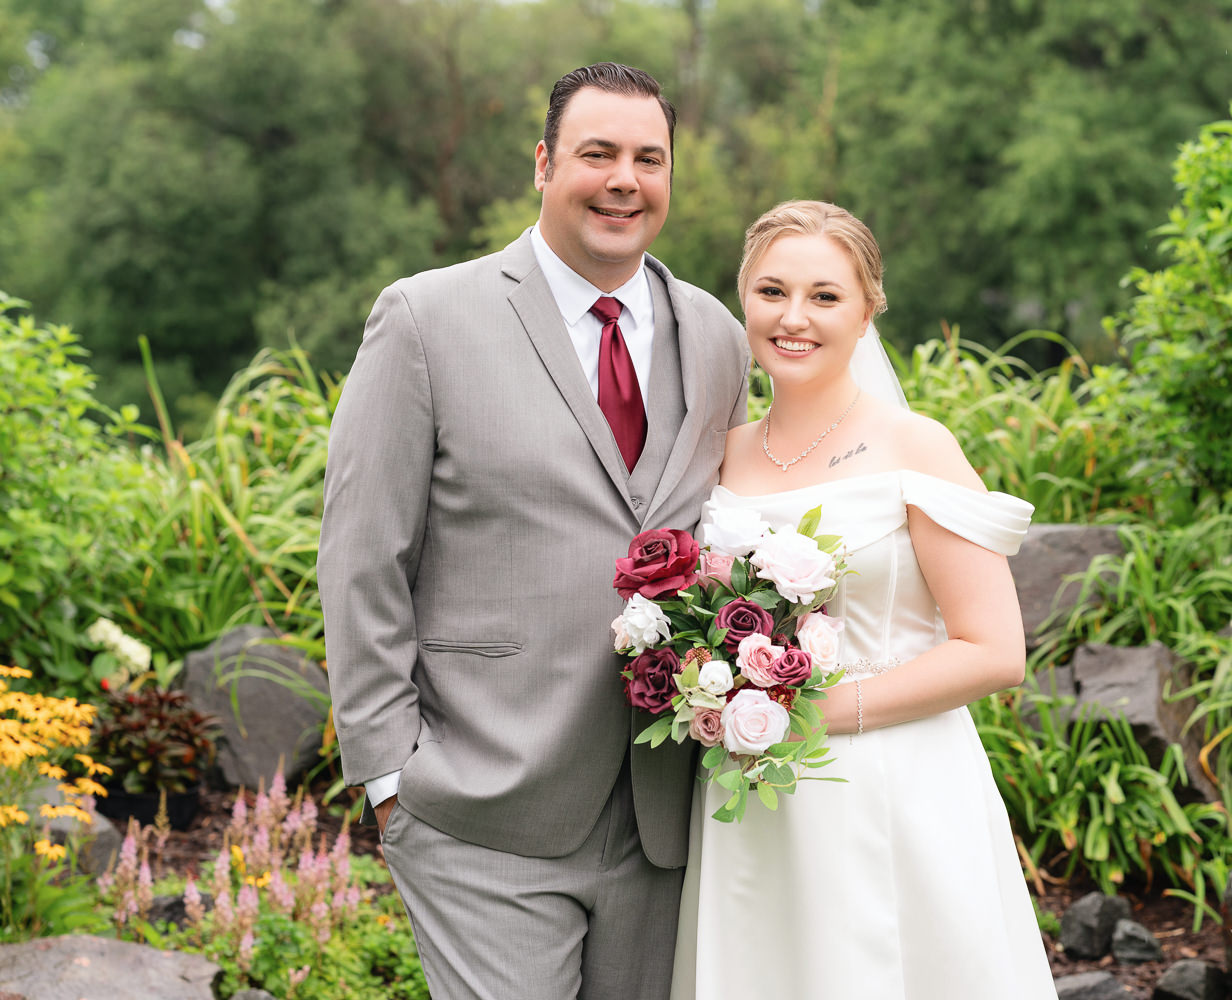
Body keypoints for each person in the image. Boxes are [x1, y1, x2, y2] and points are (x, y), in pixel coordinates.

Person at [318, 63, 750, 1000]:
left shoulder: (717, 336)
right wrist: (390, 776)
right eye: (597, 154)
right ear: (546, 163)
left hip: (665, 819)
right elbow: (362, 559)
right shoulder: (426, 319)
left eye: (649, 158)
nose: (623, 180)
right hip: (481, 808)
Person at [670, 201, 1059, 999]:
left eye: (824, 296)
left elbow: (994, 651)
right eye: (772, 292)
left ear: (867, 309)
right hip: (755, 797)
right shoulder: (720, 455)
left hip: (895, 785)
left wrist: (819, 714)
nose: (793, 318)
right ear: (743, 299)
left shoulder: (916, 446)